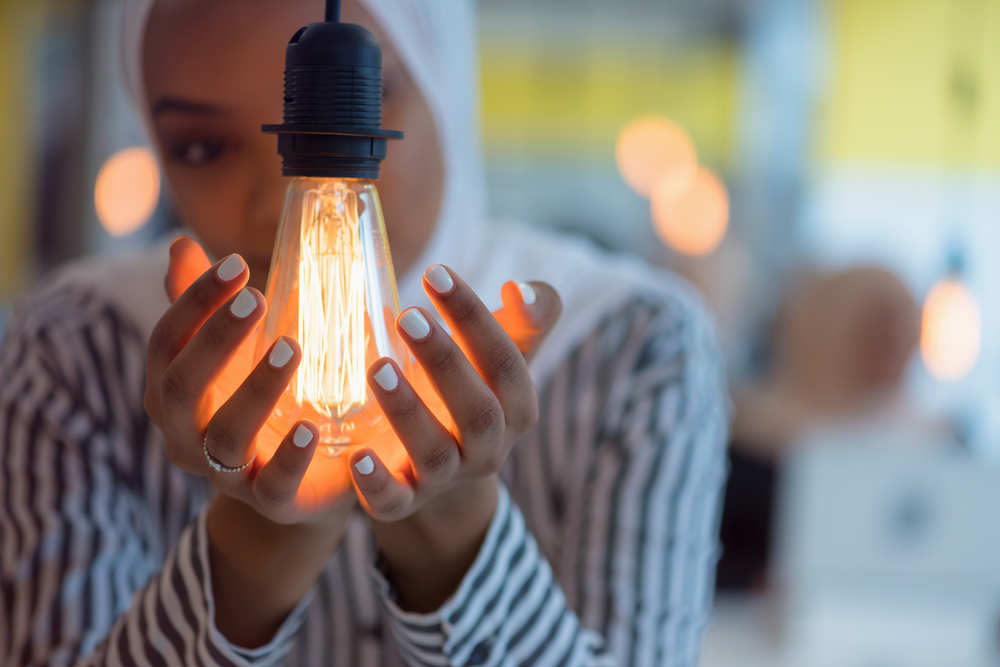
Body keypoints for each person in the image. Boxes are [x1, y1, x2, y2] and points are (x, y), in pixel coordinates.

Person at [0, 0, 728, 665]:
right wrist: (258, 544)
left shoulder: (631, 351)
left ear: (446, 88)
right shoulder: (77, 353)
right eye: (203, 147)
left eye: (366, 108)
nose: (280, 196)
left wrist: (454, 530)